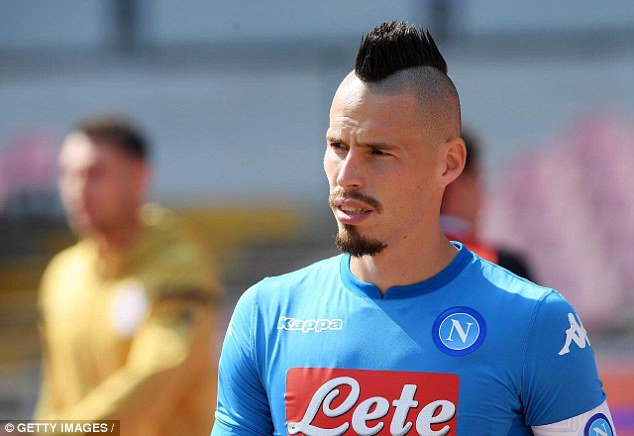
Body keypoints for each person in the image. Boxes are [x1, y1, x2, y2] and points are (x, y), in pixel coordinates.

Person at [212, 22, 615, 435]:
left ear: (449, 164)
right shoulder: (266, 315)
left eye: (378, 152)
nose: (346, 176)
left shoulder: (536, 322)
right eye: (338, 147)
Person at [36, 116, 223, 435]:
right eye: (67, 174)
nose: (77, 189)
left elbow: (156, 376)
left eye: (95, 174)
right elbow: (55, 391)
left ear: (139, 176)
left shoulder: (180, 265)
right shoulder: (61, 274)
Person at [441, 129, 534, 280]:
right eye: (477, 181)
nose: (482, 198)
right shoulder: (505, 270)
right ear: (458, 186)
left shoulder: (402, 266)